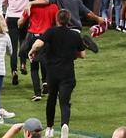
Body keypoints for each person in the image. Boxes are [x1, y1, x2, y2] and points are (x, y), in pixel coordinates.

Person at [28, 8, 87, 138]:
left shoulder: (51, 32)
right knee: (65, 102)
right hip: (68, 74)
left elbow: (38, 44)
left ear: (57, 19)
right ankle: (64, 124)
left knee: (51, 99)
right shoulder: (74, 35)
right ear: (68, 20)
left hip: (52, 73)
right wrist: (72, 53)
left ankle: (49, 128)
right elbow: (82, 54)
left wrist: (32, 51)